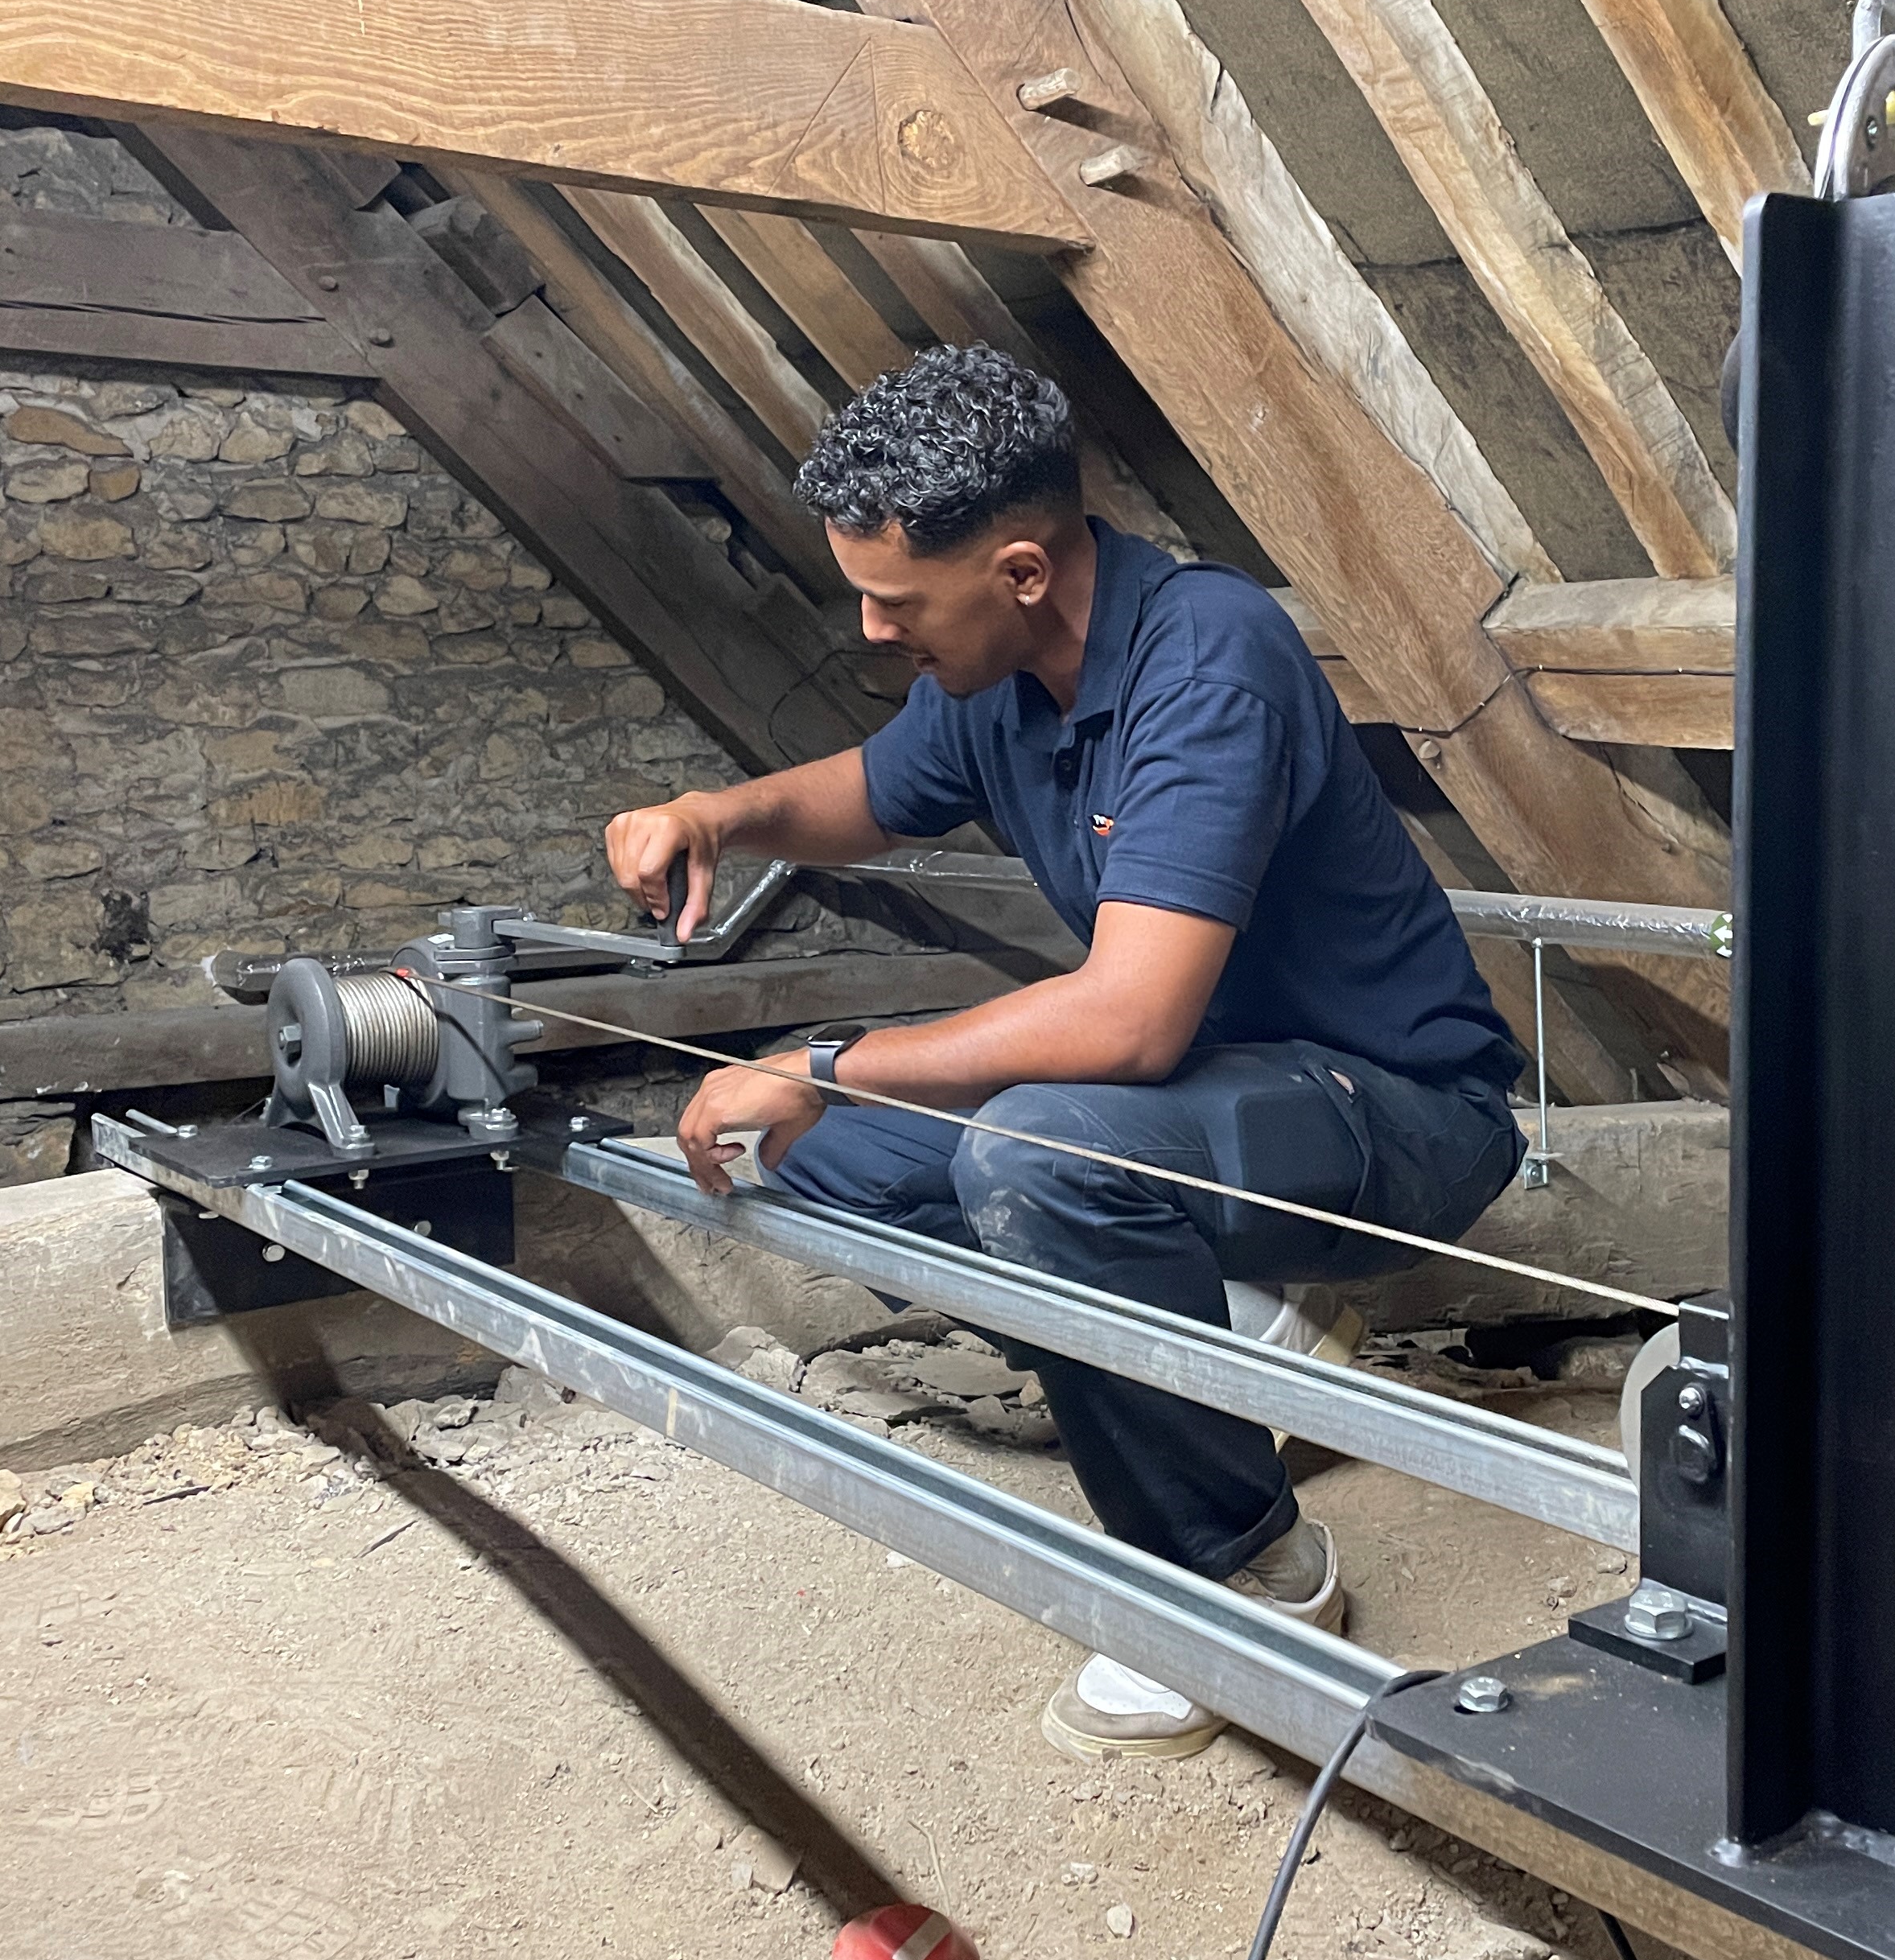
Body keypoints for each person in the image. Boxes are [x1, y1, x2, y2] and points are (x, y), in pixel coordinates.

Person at [602, 344, 1524, 1760]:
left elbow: (1127, 1022)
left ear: (1022, 571)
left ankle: (1247, 1573)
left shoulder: (1207, 662)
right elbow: (868, 793)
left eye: (894, 600)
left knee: (1032, 1149)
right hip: (1206, 1105)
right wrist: (718, 812)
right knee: (812, 1151)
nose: (866, 628)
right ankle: (1217, 1328)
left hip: (1387, 1106)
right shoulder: (995, 671)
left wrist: (832, 1056)